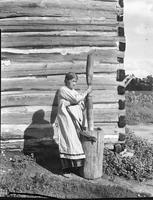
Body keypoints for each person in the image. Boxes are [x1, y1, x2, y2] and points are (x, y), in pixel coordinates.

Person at [54, 72, 92, 174]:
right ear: (67, 80)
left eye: (76, 81)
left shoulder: (74, 91)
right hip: (66, 120)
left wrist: (84, 102)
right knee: (68, 141)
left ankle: (75, 168)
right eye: (73, 81)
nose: (74, 83)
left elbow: (79, 102)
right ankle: (65, 170)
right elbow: (76, 99)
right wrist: (86, 92)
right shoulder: (63, 90)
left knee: (75, 143)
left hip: (74, 120)